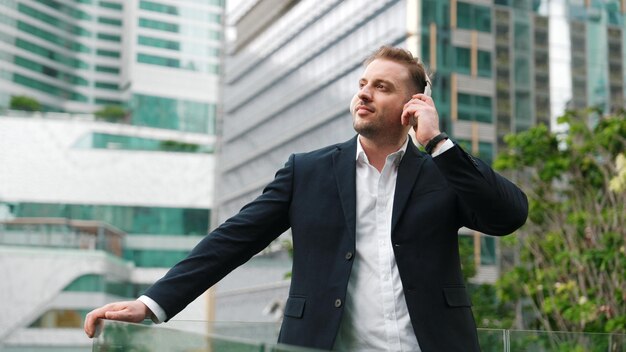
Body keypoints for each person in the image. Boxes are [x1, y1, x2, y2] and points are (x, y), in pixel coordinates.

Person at [84, 46, 528, 351]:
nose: (364, 93)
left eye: (382, 87)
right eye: (362, 83)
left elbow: (508, 215)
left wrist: (438, 143)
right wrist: (152, 303)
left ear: (413, 104)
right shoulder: (308, 171)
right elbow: (233, 240)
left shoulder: (441, 171)